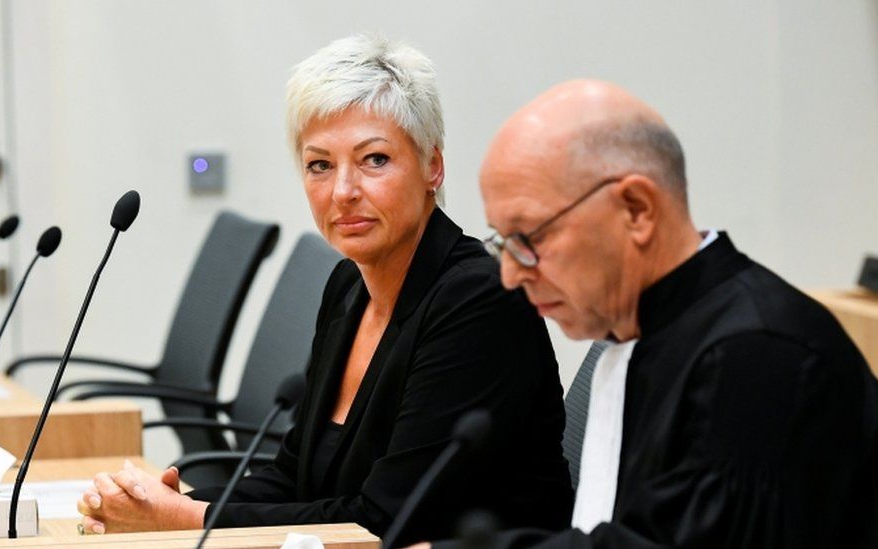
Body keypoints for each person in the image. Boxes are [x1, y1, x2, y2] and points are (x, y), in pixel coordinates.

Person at [76, 35, 572, 545]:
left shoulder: (479, 302)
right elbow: (295, 475)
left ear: (432, 167)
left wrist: (183, 519)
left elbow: (387, 520)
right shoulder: (348, 286)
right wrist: (180, 502)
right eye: (320, 165)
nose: (343, 192)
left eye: (374, 159)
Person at [417, 79, 878, 548]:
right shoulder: (646, 332)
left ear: (637, 209)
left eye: (529, 238)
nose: (510, 276)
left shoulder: (758, 354)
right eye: (502, 242)